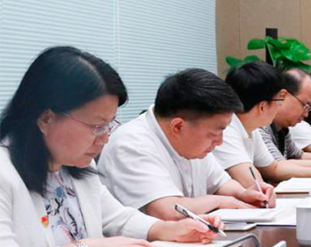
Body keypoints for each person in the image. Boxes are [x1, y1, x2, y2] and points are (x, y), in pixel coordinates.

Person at [0, 47, 220, 247]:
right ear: (46, 119)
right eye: (96, 126)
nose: (104, 139)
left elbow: (117, 217)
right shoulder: (5, 172)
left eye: (108, 125)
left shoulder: (75, 165)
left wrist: (170, 230)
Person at [99, 68, 269, 220]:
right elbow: (168, 210)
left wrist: (244, 193)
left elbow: (221, 183)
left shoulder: (193, 140)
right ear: (178, 126)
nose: (220, 141)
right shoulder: (131, 144)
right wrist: (223, 201)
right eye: (215, 133)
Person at [215, 62, 311, 192]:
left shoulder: (251, 128)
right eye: (278, 100)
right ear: (262, 106)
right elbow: (253, 183)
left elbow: (274, 168)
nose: (279, 105)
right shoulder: (226, 129)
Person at [257, 68, 311, 179]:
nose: (306, 114)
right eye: (305, 105)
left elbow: (298, 156)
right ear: (283, 96)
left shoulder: (283, 128)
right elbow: (277, 168)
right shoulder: (261, 125)